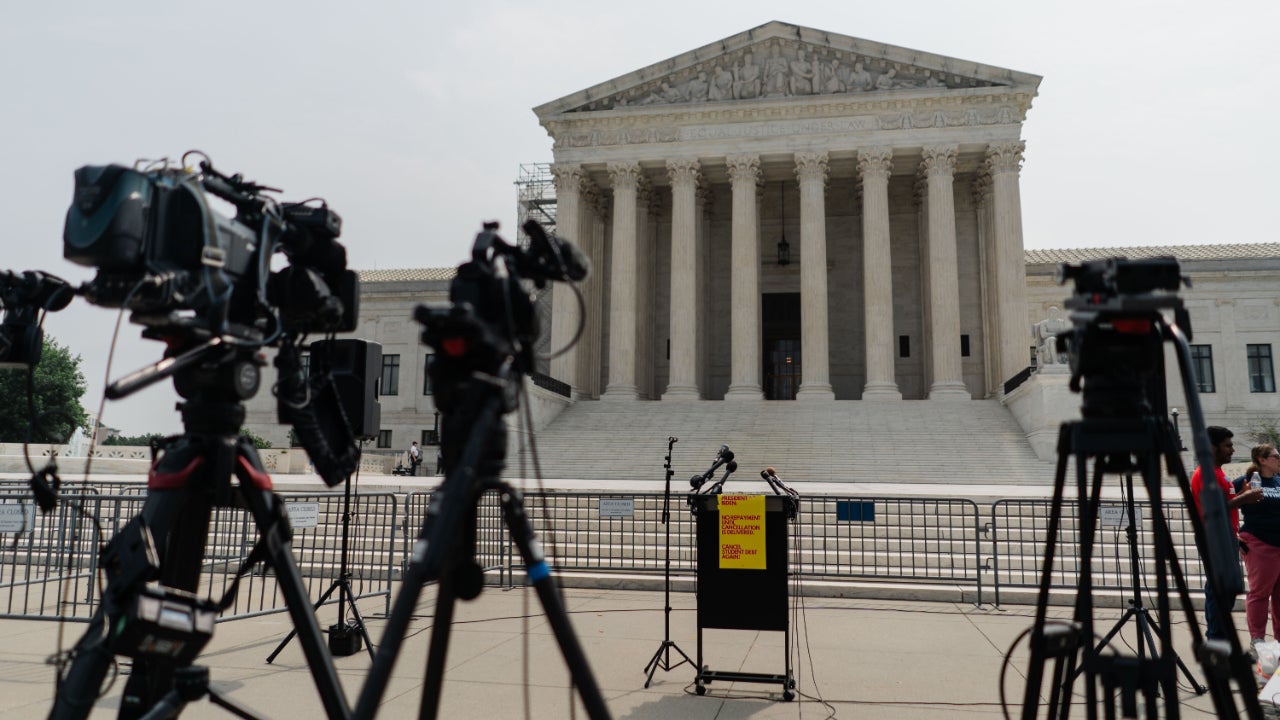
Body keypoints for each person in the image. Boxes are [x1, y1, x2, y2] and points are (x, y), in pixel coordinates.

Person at [1190, 426, 1261, 641]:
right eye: (1227, 445)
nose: (1232, 449)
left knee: (1225, 589)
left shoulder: (1219, 473)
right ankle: (1216, 639)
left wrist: (1242, 494)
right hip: (1213, 537)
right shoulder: (1206, 473)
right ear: (1212, 447)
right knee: (1219, 589)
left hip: (1225, 536)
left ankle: (1220, 638)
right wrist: (1244, 499)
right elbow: (1213, 509)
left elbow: (1224, 503)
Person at [1234, 443, 1280, 644]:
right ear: (1262, 460)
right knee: (1260, 593)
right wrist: (1232, 532)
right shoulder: (1245, 481)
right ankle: (1257, 639)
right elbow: (1226, 504)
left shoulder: (1279, 481)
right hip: (1259, 543)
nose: (1279, 460)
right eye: (1275, 457)